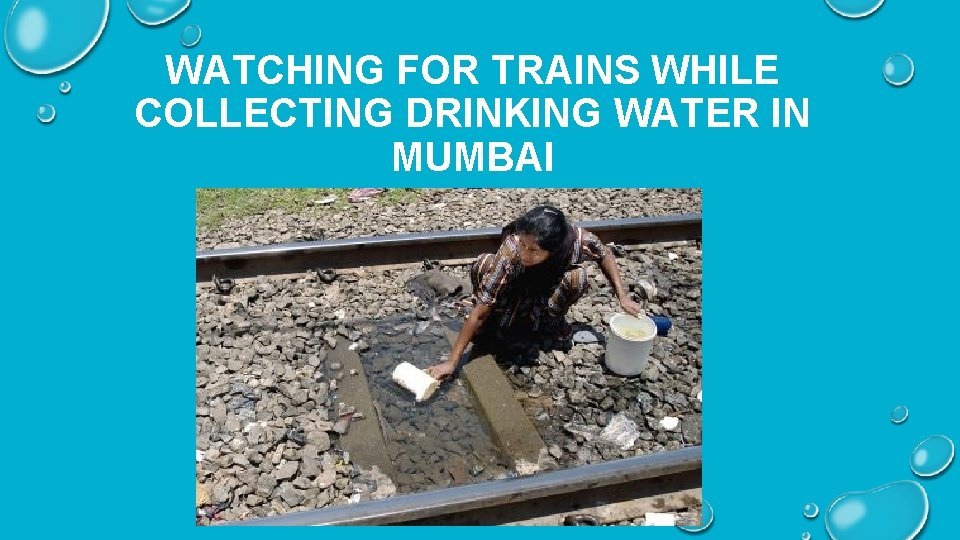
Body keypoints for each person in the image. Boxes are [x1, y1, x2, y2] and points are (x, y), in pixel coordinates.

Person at [425, 205, 642, 381]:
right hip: (513, 292)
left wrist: (622, 296)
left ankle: (548, 323)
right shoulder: (512, 249)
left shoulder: (577, 241)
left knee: (578, 277)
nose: (524, 253)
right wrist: (452, 362)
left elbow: (604, 254)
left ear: (553, 249)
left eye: (533, 250)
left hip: (545, 294)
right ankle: (502, 320)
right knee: (483, 264)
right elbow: (480, 310)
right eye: (523, 245)